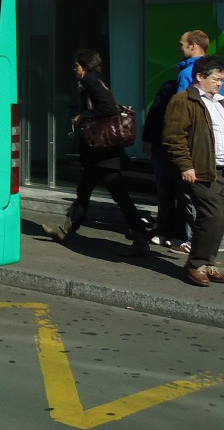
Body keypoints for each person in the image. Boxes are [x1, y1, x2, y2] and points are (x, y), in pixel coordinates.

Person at [42, 49, 152, 254]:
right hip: (99, 153)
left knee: (120, 197)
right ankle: (67, 231)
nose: (74, 70)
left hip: (104, 153)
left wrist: (82, 116)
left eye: (76, 66)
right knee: (83, 191)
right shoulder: (95, 80)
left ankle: (140, 239)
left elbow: (108, 108)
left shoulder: (90, 82)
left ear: (85, 67)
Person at [161, 55, 224, 287]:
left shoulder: (220, 101)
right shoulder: (184, 100)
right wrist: (186, 165)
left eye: (221, 80)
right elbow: (173, 137)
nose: (219, 83)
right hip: (201, 169)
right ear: (200, 77)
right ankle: (195, 265)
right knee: (212, 216)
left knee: (219, 219)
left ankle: (207, 263)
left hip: (221, 168)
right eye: (216, 79)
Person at [142, 75, 191, 252]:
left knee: (181, 194)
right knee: (166, 192)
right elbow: (155, 113)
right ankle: (167, 231)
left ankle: (178, 234)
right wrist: (148, 137)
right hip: (164, 145)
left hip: (181, 149)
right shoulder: (170, 88)